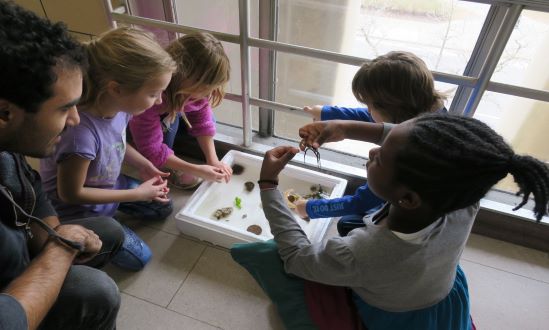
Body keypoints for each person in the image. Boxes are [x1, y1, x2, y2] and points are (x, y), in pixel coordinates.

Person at [257, 114, 549, 329]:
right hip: (443, 291)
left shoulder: (363, 253)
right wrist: (344, 127)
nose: (373, 151)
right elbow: (414, 142)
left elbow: (297, 257)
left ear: (407, 199)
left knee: (275, 258)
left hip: (398, 315)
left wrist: (269, 184)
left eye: (381, 158)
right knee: (349, 222)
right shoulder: (463, 199)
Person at [0, 1, 124, 329]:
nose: (75, 119)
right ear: (4, 112)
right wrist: (59, 251)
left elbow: (31, 191)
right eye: (64, 108)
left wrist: (56, 234)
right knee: (97, 292)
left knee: (108, 232)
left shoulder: (7, 145)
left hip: (19, 258)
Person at [40, 27, 176, 271]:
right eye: (153, 93)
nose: (159, 101)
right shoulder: (79, 135)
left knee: (162, 206)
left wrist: (143, 164)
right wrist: (136, 195)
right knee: (140, 259)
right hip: (78, 212)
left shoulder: (120, 108)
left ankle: (119, 208)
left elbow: (116, 144)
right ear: (116, 89)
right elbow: (70, 194)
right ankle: (84, 244)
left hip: (108, 185)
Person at [296, 51, 447, 236]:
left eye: (369, 105)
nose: (367, 110)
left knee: (346, 224)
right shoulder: (433, 114)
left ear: (392, 108)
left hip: (408, 219)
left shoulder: (406, 157)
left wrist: (309, 208)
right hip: (422, 201)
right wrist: (326, 113)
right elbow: (378, 119)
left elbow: (362, 201)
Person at [129, 32, 232, 189]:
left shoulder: (193, 90)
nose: (207, 95)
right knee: (165, 133)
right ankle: (163, 166)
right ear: (182, 76)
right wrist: (195, 169)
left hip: (171, 107)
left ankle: (169, 153)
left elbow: (201, 118)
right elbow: (152, 148)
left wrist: (213, 159)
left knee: (208, 119)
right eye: (204, 89)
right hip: (140, 125)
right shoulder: (151, 97)